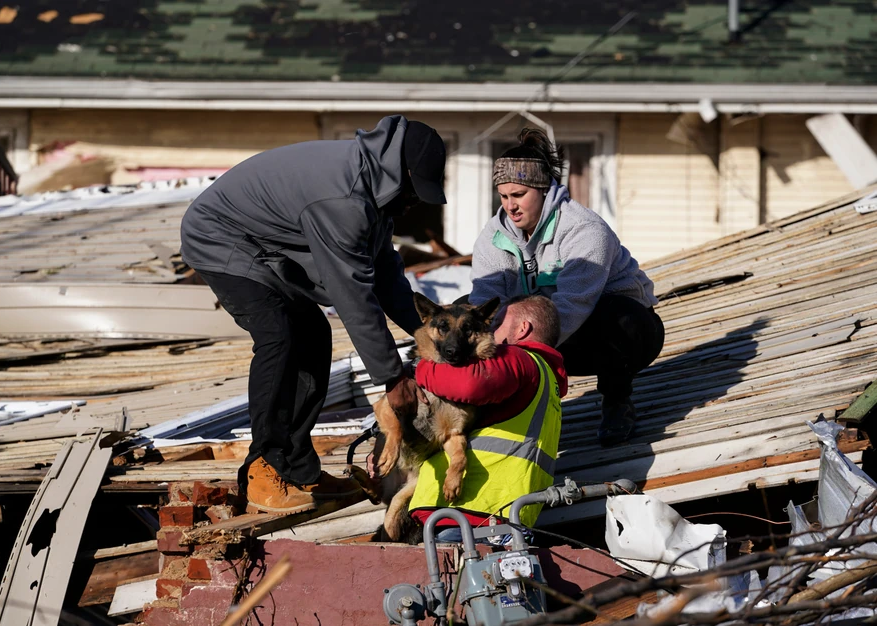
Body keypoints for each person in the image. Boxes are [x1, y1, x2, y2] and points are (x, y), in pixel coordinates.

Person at [179, 115, 446, 515]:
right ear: (400, 173)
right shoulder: (345, 200)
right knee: (279, 334)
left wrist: (432, 335)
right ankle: (263, 467)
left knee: (314, 335)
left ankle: (299, 469)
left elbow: (387, 277)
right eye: (414, 191)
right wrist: (393, 378)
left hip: (264, 246)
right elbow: (354, 296)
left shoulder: (374, 190)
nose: (413, 203)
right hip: (219, 237)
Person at [469, 128, 663, 447]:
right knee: (469, 314)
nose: (510, 206)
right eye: (504, 196)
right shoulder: (493, 237)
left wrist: (517, 364)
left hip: (615, 335)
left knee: (618, 316)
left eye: (519, 195)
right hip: (545, 338)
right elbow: (485, 305)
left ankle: (617, 402)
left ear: (543, 190)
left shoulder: (583, 229)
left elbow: (573, 307)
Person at [407, 295, 567, 542]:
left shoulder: (516, 358)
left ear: (523, 329)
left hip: (470, 511)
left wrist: (421, 365)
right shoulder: (547, 378)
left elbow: (467, 385)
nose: (490, 329)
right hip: (501, 514)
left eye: (499, 321)